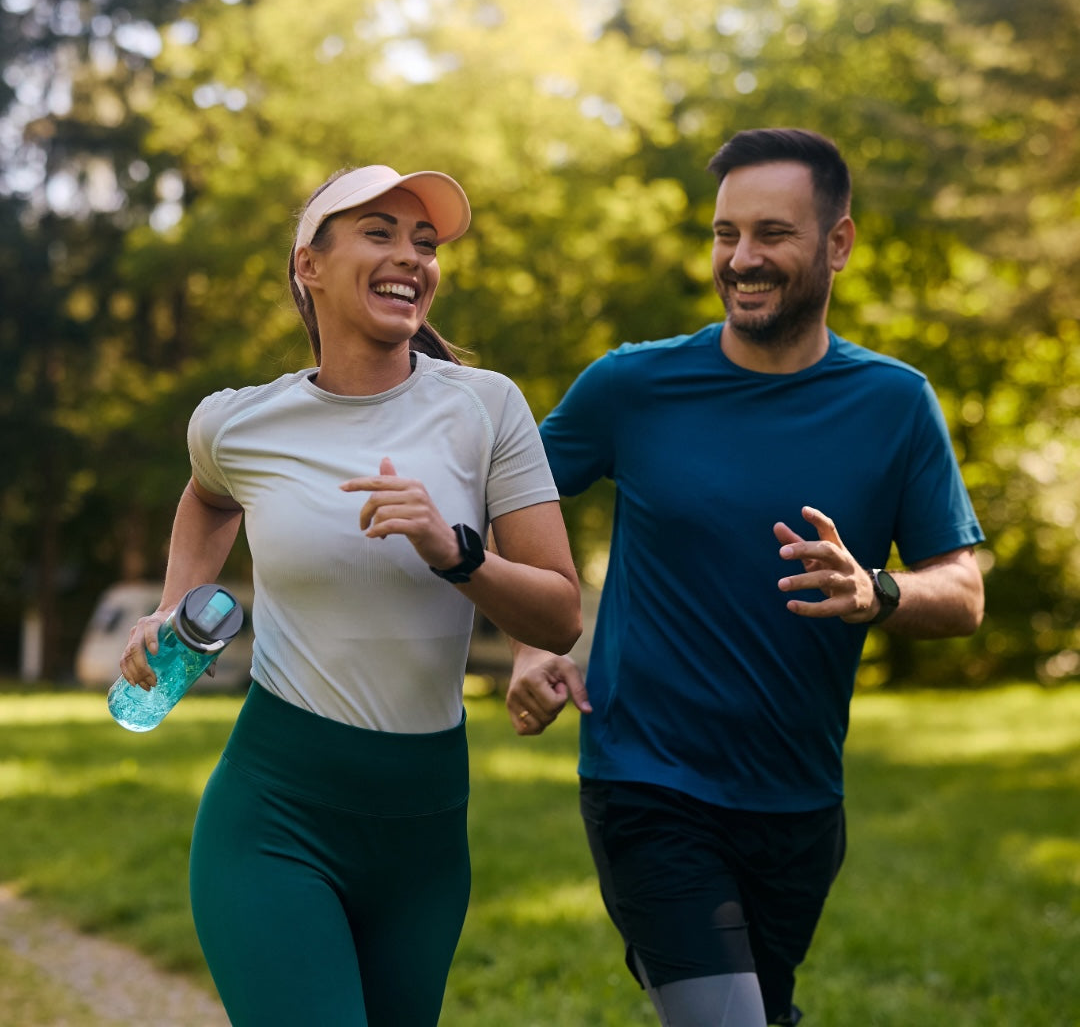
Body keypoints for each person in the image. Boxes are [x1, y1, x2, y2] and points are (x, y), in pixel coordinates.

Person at [507, 128, 985, 1027]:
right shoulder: (633, 386)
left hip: (799, 800)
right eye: (727, 235)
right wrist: (533, 637)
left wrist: (876, 591)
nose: (743, 259)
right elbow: (506, 495)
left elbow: (961, 593)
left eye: (773, 234)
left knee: (763, 1014)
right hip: (647, 781)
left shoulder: (894, 403)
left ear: (838, 243)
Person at [118, 164, 581, 1026]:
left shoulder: (487, 410)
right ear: (310, 265)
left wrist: (455, 551)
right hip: (275, 816)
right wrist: (174, 604)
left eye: (425, 242)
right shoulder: (238, 422)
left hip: (425, 830)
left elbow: (558, 611)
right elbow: (208, 495)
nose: (411, 256)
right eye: (380, 232)